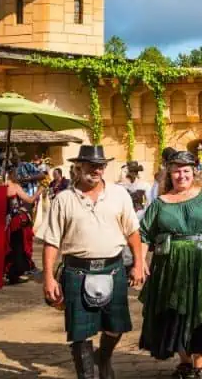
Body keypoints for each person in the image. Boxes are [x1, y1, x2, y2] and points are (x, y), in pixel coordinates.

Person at [38, 145, 144, 379]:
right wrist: (48, 278)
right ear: (79, 167)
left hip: (113, 269)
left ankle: (103, 358)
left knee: (116, 326)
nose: (96, 170)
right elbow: (51, 241)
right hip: (76, 271)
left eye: (100, 166)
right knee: (79, 333)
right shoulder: (64, 199)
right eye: (91, 165)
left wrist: (138, 264)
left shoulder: (118, 194)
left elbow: (133, 232)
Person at [138, 150, 202, 379]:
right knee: (176, 310)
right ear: (169, 174)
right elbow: (144, 234)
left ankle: (200, 365)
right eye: (176, 171)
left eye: (186, 171)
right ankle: (185, 361)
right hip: (170, 266)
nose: (181, 175)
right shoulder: (160, 203)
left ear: (193, 172)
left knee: (201, 309)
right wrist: (140, 261)